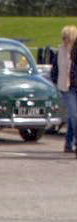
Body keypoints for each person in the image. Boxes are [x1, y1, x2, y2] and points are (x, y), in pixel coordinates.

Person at [54, 26, 77, 156]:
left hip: (74, 86)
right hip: (66, 88)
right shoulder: (61, 51)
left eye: (66, 36)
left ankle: (68, 144)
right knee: (74, 116)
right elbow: (55, 69)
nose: (64, 39)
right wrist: (56, 81)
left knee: (72, 117)